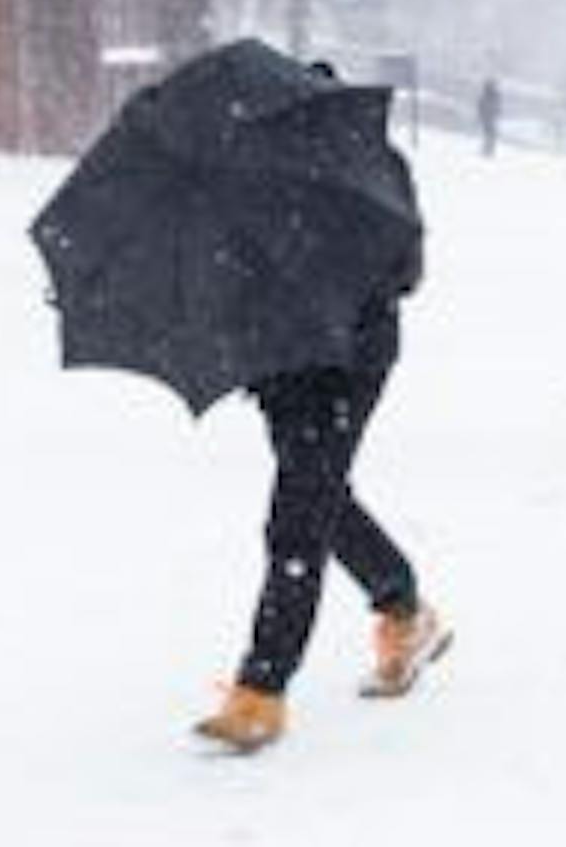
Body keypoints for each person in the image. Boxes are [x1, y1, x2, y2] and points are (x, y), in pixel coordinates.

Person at [194, 64, 450, 754]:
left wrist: (333, 276)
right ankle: (404, 607)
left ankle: (261, 691)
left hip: (349, 360)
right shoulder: (242, 173)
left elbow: (407, 270)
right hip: (278, 364)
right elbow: (222, 270)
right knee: (320, 498)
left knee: (296, 519)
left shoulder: (371, 166)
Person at [476, 78, 502, 157]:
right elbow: (496, 106)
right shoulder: (493, 95)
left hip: (487, 118)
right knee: (490, 134)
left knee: (489, 134)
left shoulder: (486, 95)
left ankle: (488, 150)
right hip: (489, 118)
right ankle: (488, 150)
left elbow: (480, 106)